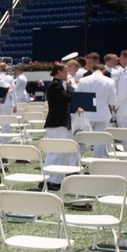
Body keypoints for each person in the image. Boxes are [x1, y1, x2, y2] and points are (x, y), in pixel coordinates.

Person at [43, 62, 75, 191]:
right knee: (55, 152)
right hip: (56, 123)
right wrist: (70, 88)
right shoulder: (54, 86)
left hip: (61, 122)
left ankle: (57, 179)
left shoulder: (58, 85)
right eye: (65, 70)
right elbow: (66, 99)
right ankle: (48, 178)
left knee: (62, 153)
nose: (67, 73)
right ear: (58, 72)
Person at [75, 64, 117, 158]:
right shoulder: (110, 81)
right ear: (103, 71)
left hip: (87, 114)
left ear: (92, 69)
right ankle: (100, 163)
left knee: (82, 140)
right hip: (103, 114)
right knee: (101, 141)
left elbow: (78, 97)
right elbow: (112, 100)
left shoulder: (83, 80)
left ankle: (75, 164)